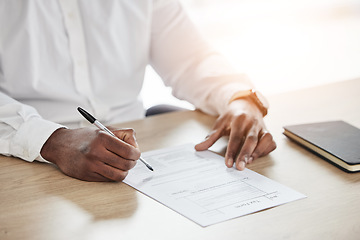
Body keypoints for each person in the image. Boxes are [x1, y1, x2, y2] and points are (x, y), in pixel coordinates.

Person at [0, 0, 276, 182]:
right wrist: (51, 140)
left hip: (134, 151)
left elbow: (190, 59)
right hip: (24, 155)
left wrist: (239, 98)